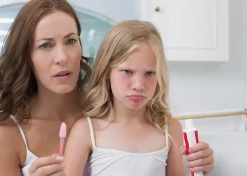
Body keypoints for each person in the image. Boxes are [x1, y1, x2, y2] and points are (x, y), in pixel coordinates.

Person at [0, 0, 214, 176]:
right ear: (26, 56)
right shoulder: (5, 136)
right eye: (46, 45)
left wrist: (201, 160)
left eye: (70, 41)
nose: (63, 57)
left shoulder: (112, 105)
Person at [64, 20, 212, 176]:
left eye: (149, 73)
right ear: (107, 71)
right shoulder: (86, 130)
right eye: (128, 72)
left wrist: (201, 166)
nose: (139, 85)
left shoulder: (170, 129)